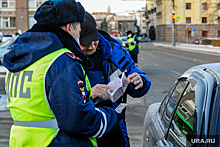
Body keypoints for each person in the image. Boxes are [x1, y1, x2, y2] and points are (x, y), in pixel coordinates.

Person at [3, 1, 120, 146]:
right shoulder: (63, 61)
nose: (78, 35)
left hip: (23, 141)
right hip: (57, 141)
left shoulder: (20, 58)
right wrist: (111, 116)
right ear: (69, 27)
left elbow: (41, 103)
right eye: (78, 29)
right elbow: (80, 121)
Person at [79, 12, 151, 147]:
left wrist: (140, 81)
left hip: (114, 126)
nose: (92, 46)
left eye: (94, 40)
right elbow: (64, 101)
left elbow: (135, 73)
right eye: (85, 43)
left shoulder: (114, 50)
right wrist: (89, 94)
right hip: (86, 129)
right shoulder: (66, 58)